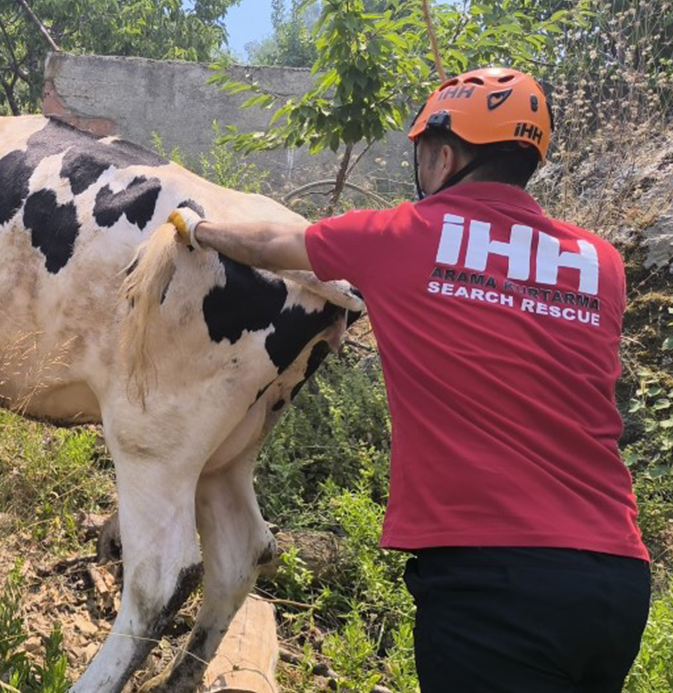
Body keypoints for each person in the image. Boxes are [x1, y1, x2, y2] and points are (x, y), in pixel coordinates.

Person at [168, 67, 650, 693]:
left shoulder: (404, 235)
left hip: (493, 582)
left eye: (423, 154)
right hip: (615, 579)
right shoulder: (601, 264)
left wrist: (197, 227)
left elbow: (272, 244)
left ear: (445, 154)